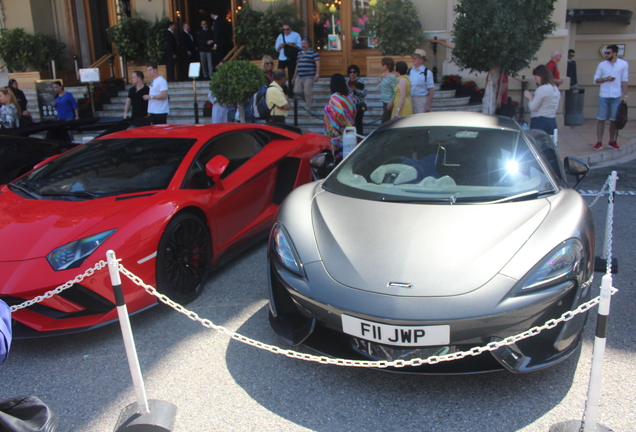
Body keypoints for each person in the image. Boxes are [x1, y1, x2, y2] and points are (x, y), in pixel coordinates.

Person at [593, 44, 629, 151]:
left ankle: (612, 141)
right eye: (605, 53)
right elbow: (596, 80)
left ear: (615, 53)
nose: (606, 55)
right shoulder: (602, 65)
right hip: (604, 95)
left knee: (614, 120)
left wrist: (625, 95)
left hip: (616, 95)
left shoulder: (623, 64)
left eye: (608, 53)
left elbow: (624, 80)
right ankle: (599, 142)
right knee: (601, 119)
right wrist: (605, 79)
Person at [324, 73, 356, 156]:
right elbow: (355, 111)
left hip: (337, 134)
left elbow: (339, 113)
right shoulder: (349, 96)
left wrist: (343, 126)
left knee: (338, 157)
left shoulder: (335, 97)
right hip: (349, 131)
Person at [523, 64, 560, 136]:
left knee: (537, 145)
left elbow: (532, 107)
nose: (536, 81)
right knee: (549, 144)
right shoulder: (555, 89)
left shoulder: (542, 89)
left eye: (536, 78)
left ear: (541, 76)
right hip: (552, 120)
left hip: (540, 121)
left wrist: (530, 97)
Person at [292, 37, 320, 111]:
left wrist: (317, 75)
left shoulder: (313, 52)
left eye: (304, 43)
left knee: (307, 93)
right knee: (296, 91)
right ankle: (310, 100)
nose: (303, 45)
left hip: (309, 76)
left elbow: (318, 63)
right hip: (299, 76)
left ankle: (308, 110)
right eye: (302, 43)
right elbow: (297, 66)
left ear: (308, 44)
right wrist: (293, 77)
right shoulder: (299, 53)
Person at [274, 22, 301, 94]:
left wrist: (291, 45)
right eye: (284, 30)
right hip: (282, 57)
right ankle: (283, 90)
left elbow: (300, 46)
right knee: (279, 74)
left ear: (290, 29)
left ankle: (291, 91)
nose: (286, 31)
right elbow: (276, 48)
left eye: (287, 29)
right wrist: (280, 46)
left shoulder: (296, 35)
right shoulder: (280, 36)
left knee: (292, 75)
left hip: (292, 58)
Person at [408, 49, 435, 113]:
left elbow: (431, 90)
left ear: (421, 60)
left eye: (415, 58)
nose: (413, 60)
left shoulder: (427, 73)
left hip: (421, 100)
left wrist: (428, 105)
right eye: (413, 58)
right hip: (410, 99)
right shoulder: (409, 71)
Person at [346, 64, 366, 135]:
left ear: (357, 73)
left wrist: (356, 90)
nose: (352, 74)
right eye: (350, 72)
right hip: (349, 106)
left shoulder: (361, 81)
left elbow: (364, 93)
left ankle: (359, 136)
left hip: (358, 105)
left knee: (358, 122)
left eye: (354, 72)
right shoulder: (346, 82)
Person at [378, 57, 398, 123]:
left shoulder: (392, 77)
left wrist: (391, 102)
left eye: (383, 64)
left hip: (389, 102)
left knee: (385, 121)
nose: (382, 66)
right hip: (384, 101)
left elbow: (395, 90)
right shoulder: (383, 75)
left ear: (388, 66)